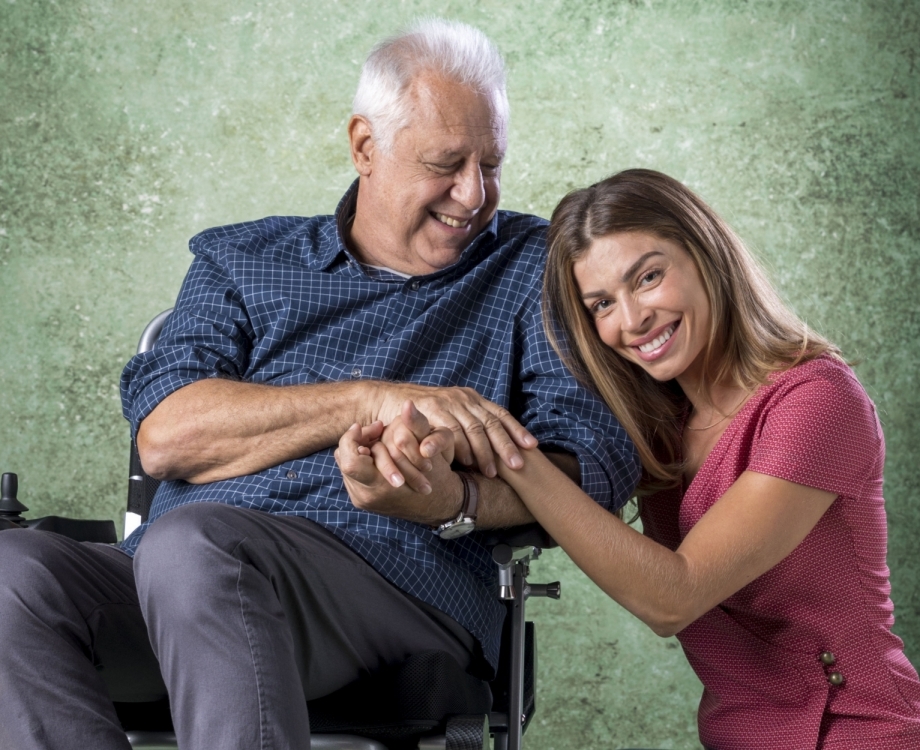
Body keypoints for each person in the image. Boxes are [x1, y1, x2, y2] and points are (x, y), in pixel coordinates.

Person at [0, 19, 639, 750]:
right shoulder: (239, 259)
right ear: (365, 146)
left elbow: (594, 463)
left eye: (491, 164)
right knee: (12, 573)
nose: (474, 194)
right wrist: (374, 400)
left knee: (193, 546)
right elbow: (167, 436)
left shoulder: (538, 269)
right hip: (183, 575)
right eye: (446, 163)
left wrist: (456, 500)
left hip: (396, 579)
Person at [340, 168, 920, 749]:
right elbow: (553, 494)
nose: (631, 320)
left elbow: (674, 596)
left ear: (706, 253)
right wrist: (429, 446)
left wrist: (506, 445)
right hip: (737, 735)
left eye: (647, 277)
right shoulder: (655, 428)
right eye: (601, 304)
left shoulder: (816, 401)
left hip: (855, 727)